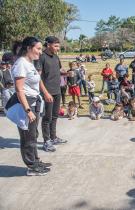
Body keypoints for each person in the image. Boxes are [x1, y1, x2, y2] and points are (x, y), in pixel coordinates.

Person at [10, 36, 51, 175]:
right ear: (28, 48)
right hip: (27, 104)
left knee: (33, 135)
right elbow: (19, 90)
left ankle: (36, 160)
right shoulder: (21, 63)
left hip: (34, 102)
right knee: (27, 137)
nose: (40, 52)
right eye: (38, 49)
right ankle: (31, 167)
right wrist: (27, 110)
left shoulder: (29, 62)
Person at [35, 36, 67, 152]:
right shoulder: (41, 57)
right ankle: (46, 141)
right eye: (56, 46)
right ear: (48, 45)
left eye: (58, 46)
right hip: (47, 92)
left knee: (55, 116)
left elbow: (58, 71)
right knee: (47, 118)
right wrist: (45, 93)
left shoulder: (56, 57)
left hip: (57, 90)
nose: (58, 48)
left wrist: (67, 73)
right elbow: (37, 77)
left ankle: (53, 138)